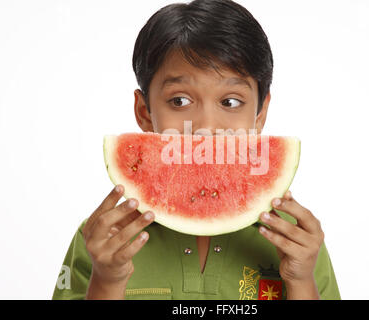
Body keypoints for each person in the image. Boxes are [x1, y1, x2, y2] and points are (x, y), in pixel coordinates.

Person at [52, 0, 341, 300]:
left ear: (260, 115)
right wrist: (107, 280)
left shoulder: (297, 242)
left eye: (230, 102)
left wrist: (301, 280)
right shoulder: (104, 239)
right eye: (179, 101)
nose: (206, 127)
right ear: (144, 112)